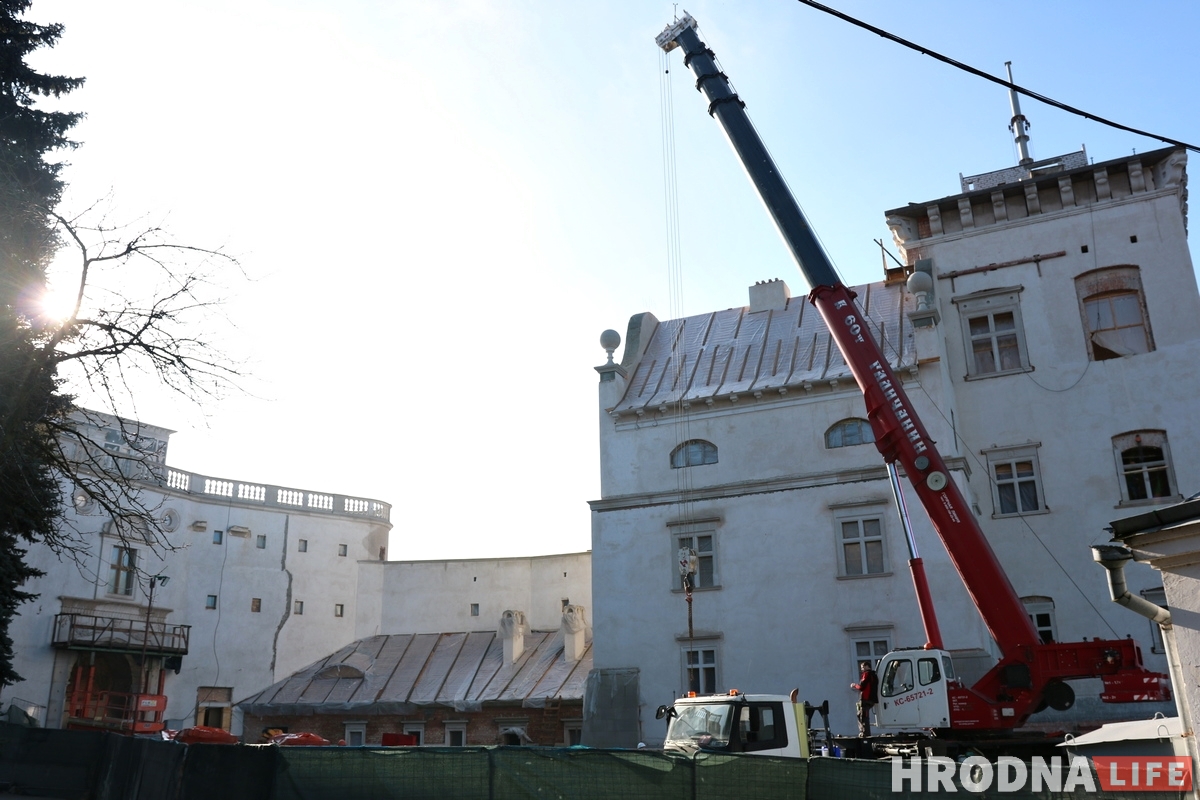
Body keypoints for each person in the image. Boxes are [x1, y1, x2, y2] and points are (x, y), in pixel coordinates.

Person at [851, 661, 879, 737]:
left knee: (862, 716)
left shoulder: (866, 674)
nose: (862, 669)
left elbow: (861, 687)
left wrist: (854, 685)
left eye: (863, 667)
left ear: (867, 666)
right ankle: (866, 732)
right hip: (872, 699)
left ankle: (864, 733)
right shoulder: (874, 675)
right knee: (864, 715)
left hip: (866, 698)